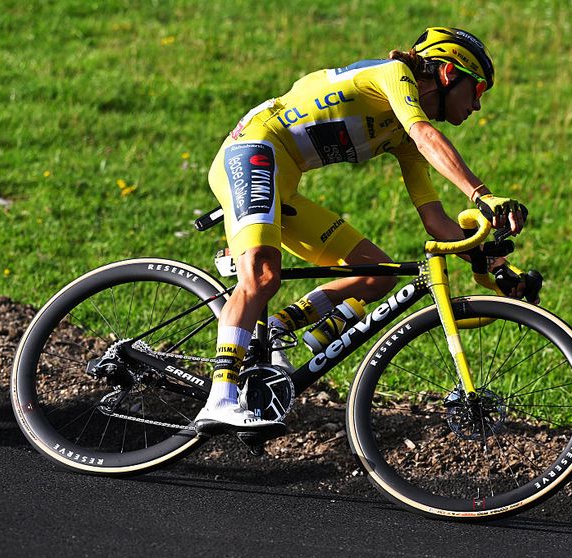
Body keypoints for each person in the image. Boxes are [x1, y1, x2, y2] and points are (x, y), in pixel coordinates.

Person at [197, 27, 528, 432]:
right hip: (253, 150)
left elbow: (436, 222)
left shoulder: (400, 137)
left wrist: (493, 268)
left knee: (375, 273)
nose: (477, 106)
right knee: (262, 275)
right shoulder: (394, 76)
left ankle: (278, 329)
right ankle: (219, 399)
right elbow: (424, 135)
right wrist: (481, 195)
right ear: (446, 74)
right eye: (476, 90)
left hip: (282, 180)